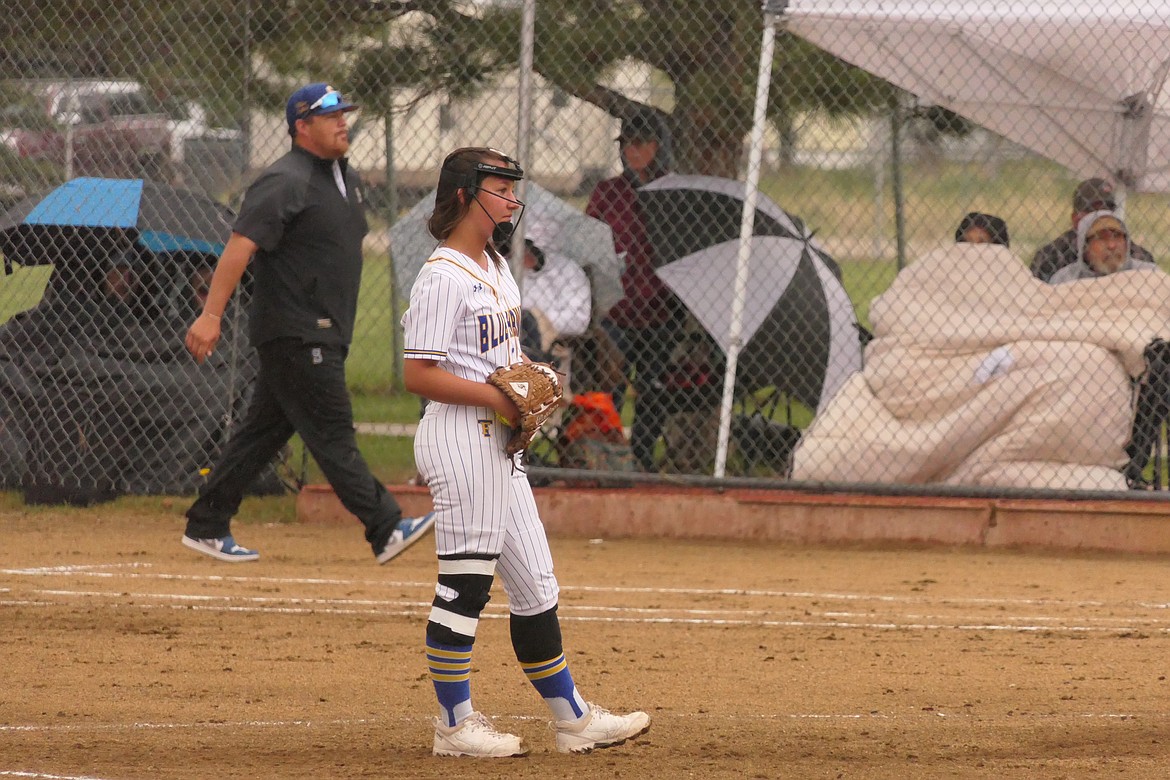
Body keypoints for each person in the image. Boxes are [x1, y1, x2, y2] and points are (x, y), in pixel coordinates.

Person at [402, 146, 650, 757]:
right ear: (464, 195)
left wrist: (526, 381)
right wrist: (500, 396)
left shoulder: (494, 263)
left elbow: (498, 361)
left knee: (536, 585)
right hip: (461, 437)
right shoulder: (443, 273)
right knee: (465, 584)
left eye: (515, 189)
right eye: (500, 189)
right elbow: (418, 373)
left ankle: (572, 720)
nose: (513, 200)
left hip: (498, 444)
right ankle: (453, 726)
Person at [181, 82, 434, 563]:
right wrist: (211, 315)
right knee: (333, 433)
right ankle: (385, 526)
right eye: (330, 115)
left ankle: (207, 523)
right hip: (296, 329)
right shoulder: (284, 179)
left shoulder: (345, 176)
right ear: (301, 126)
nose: (343, 122)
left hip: (325, 330)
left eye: (345, 113)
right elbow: (240, 246)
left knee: (262, 434)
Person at [585, 106, 681, 471]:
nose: (632, 151)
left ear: (658, 147)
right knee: (609, 387)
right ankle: (611, 458)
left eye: (641, 144)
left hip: (661, 310)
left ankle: (641, 457)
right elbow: (588, 239)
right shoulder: (609, 192)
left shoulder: (672, 192)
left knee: (654, 390)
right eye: (626, 144)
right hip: (617, 312)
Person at [1047, 210, 1166, 487]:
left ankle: (1134, 464)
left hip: (1139, 364)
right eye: (1101, 238)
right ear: (1084, 246)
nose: (1112, 245)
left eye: (1118, 236)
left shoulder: (1146, 277)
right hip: (1084, 364)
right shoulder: (1065, 282)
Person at [1031, 178, 1153, 281]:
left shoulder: (1138, 257)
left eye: (1107, 210)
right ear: (1075, 218)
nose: (1101, 216)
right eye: (1092, 211)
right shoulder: (1051, 257)